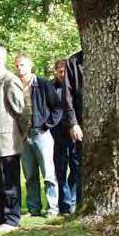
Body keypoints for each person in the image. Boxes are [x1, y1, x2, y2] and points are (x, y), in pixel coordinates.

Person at [15, 54, 62, 217]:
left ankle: (52, 208)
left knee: (48, 173)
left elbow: (57, 107)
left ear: (30, 66)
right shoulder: (14, 85)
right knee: (29, 175)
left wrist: (46, 125)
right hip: (22, 135)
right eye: (17, 66)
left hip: (41, 133)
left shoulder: (42, 84)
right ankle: (33, 209)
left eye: (22, 65)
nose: (19, 68)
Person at [0, 45, 26, 232]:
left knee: (9, 181)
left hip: (8, 140)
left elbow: (21, 111)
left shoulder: (10, 80)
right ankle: (2, 217)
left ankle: (12, 219)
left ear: (5, 58)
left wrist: (22, 135)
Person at [51, 59, 80, 214]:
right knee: (60, 170)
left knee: (76, 168)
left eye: (65, 71)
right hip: (57, 134)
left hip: (74, 133)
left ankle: (73, 201)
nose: (63, 74)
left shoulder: (74, 86)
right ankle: (65, 206)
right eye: (60, 71)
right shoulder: (51, 87)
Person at [63, 50, 84, 208]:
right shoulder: (74, 61)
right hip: (81, 122)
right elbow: (67, 95)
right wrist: (73, 123)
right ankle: (81, 204)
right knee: (80, 165)